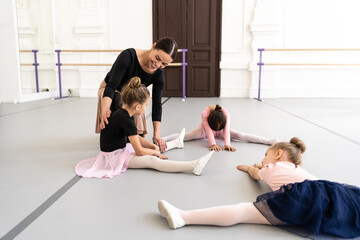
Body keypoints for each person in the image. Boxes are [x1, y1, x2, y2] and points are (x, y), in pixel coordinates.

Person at [157, 137, 360, 238]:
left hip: (301, 199)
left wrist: (248, 167)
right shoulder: (298, 169)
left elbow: (256, 174)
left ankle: (184, 217)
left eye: (266, 155)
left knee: (244, 211)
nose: (264, 160)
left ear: (278, 154)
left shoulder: (272, 168)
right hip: (332, 193)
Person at [77, 77, 214, 178]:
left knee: (153, 149)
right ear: (137, 106)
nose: (145, 108)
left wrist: (153, 147)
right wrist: (154, 152)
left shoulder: (124, 112)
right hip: (113, 157)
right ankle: (193, 165)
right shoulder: (126, 119)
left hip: (119, 150)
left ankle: (175, 142)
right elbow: (140, 151)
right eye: (146, 105)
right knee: (152, 160)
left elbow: (135, 138)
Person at [95, 37, 178, 152]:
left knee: (137, 107)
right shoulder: (128, 56)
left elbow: (157, 105)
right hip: (110, 90)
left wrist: (157, 135)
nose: (157, 65)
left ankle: (131, 136)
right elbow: (111, 86)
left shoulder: (158, 75)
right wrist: (105, 109)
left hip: (131, 95)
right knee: (122, 106)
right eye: (157, 58)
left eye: (164, 64)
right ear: (153, 46)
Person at [164, 104, 277, 152]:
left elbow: (226, 130)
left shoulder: (226, 114)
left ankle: (267, 141)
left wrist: (227, 144)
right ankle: (162, 139)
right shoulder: (205, 114)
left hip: (223, 132)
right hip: (204, 130)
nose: (216, 130)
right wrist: (213, 144)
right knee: (187, 136)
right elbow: (208, 130)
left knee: (240, 135)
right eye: (216, 128)